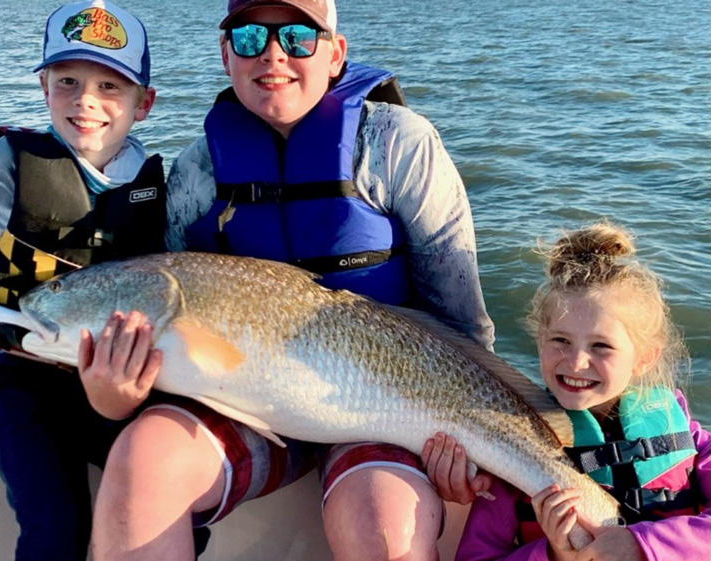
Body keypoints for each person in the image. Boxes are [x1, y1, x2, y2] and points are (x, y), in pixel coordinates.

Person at [81, 1, 497, 559]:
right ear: (225, 53)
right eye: (250, 36)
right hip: (243, 404)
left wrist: (467, 441)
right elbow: (178, 318)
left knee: (385, 524)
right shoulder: (196, 172)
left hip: (383, 406)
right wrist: (117, 395)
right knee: (141, 459)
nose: (273, 53)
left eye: (298, 36)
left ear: (335, 53)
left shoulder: (400, 143)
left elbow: (461, 320)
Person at [0, 2, 172, 559]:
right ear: (43, 85)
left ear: (144, 104)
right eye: (68, 81)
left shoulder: (162, 185)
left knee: (167, 513)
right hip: (27, 387)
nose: (86, 101)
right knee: (56, 530)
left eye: (111, 86)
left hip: (127, 390)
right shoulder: (1, 166)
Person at [425, 223, 710, 561]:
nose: (575, 363)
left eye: (601, 346)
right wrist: (554, 554)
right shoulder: (514, 450)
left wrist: (641, 545)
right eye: (560, 341)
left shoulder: (691, 441)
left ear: (644, 358)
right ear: (539, 341)